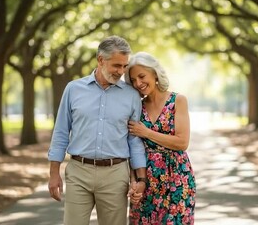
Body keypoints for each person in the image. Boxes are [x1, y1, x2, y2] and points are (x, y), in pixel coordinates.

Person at [47, 35, 147, 225]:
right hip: (78, 172)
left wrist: (140, 179)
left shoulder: (132, 95)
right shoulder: (73, 89)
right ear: (101, 60)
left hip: (115, 174)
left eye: (125, 66)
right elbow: (61, 132)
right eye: (117, 65)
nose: (121, 71)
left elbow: (134, 140)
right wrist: (54, 174)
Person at [124, 51, 196, 224]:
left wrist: (147, 133)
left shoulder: (177, 100)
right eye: (133, 80)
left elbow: (182, 142)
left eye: (142, 76)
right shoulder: (137, 107)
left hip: (177, 179)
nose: (138, 83)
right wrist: (134, 181)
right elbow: (132, 146)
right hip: (146, 179)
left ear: (155, 73)